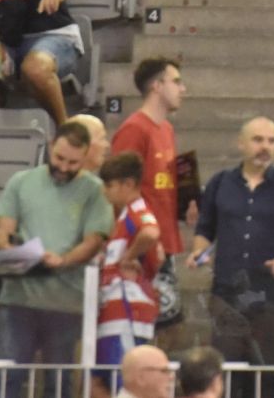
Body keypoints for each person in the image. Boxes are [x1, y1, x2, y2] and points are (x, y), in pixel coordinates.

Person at [0, 121, 113, 387]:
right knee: (6, 377)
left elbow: (94, 241)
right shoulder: (21, 182)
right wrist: (15, 251)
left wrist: (64, 260)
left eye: (73, 162)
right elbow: (1, 234)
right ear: (50, 145)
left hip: (66, 300)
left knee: (59, 383)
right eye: (59, 158)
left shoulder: (94, 190)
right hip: (19, 298)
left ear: (85, 157)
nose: (64, 168)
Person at [191, 116, 274, 367]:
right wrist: (199, 252)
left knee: (265, 373)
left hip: (270, 293)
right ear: (241, 143)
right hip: (226, 291)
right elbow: (205, 228)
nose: (266, 147)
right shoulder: (220, 183)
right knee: (226, 368)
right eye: (258, 140)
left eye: (272, 141)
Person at [111, 58, 189, 274]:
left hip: (163, 239)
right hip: (142, 244)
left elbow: (163, 184)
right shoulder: (134, 130)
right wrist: (141, 243)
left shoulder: (166, 129)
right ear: (157, 86)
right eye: (176, 82)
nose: (183, 89)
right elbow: (120, 193)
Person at [96, 153, 163, 381]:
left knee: (122, 382)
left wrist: (129, 257)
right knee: (101, 381)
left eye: (110, 185)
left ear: (129, 184)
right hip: (115, 313)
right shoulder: (123, 217)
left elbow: (151, 232)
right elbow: (158, 253)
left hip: (126, 314)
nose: (105, 191)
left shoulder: (137, 210)